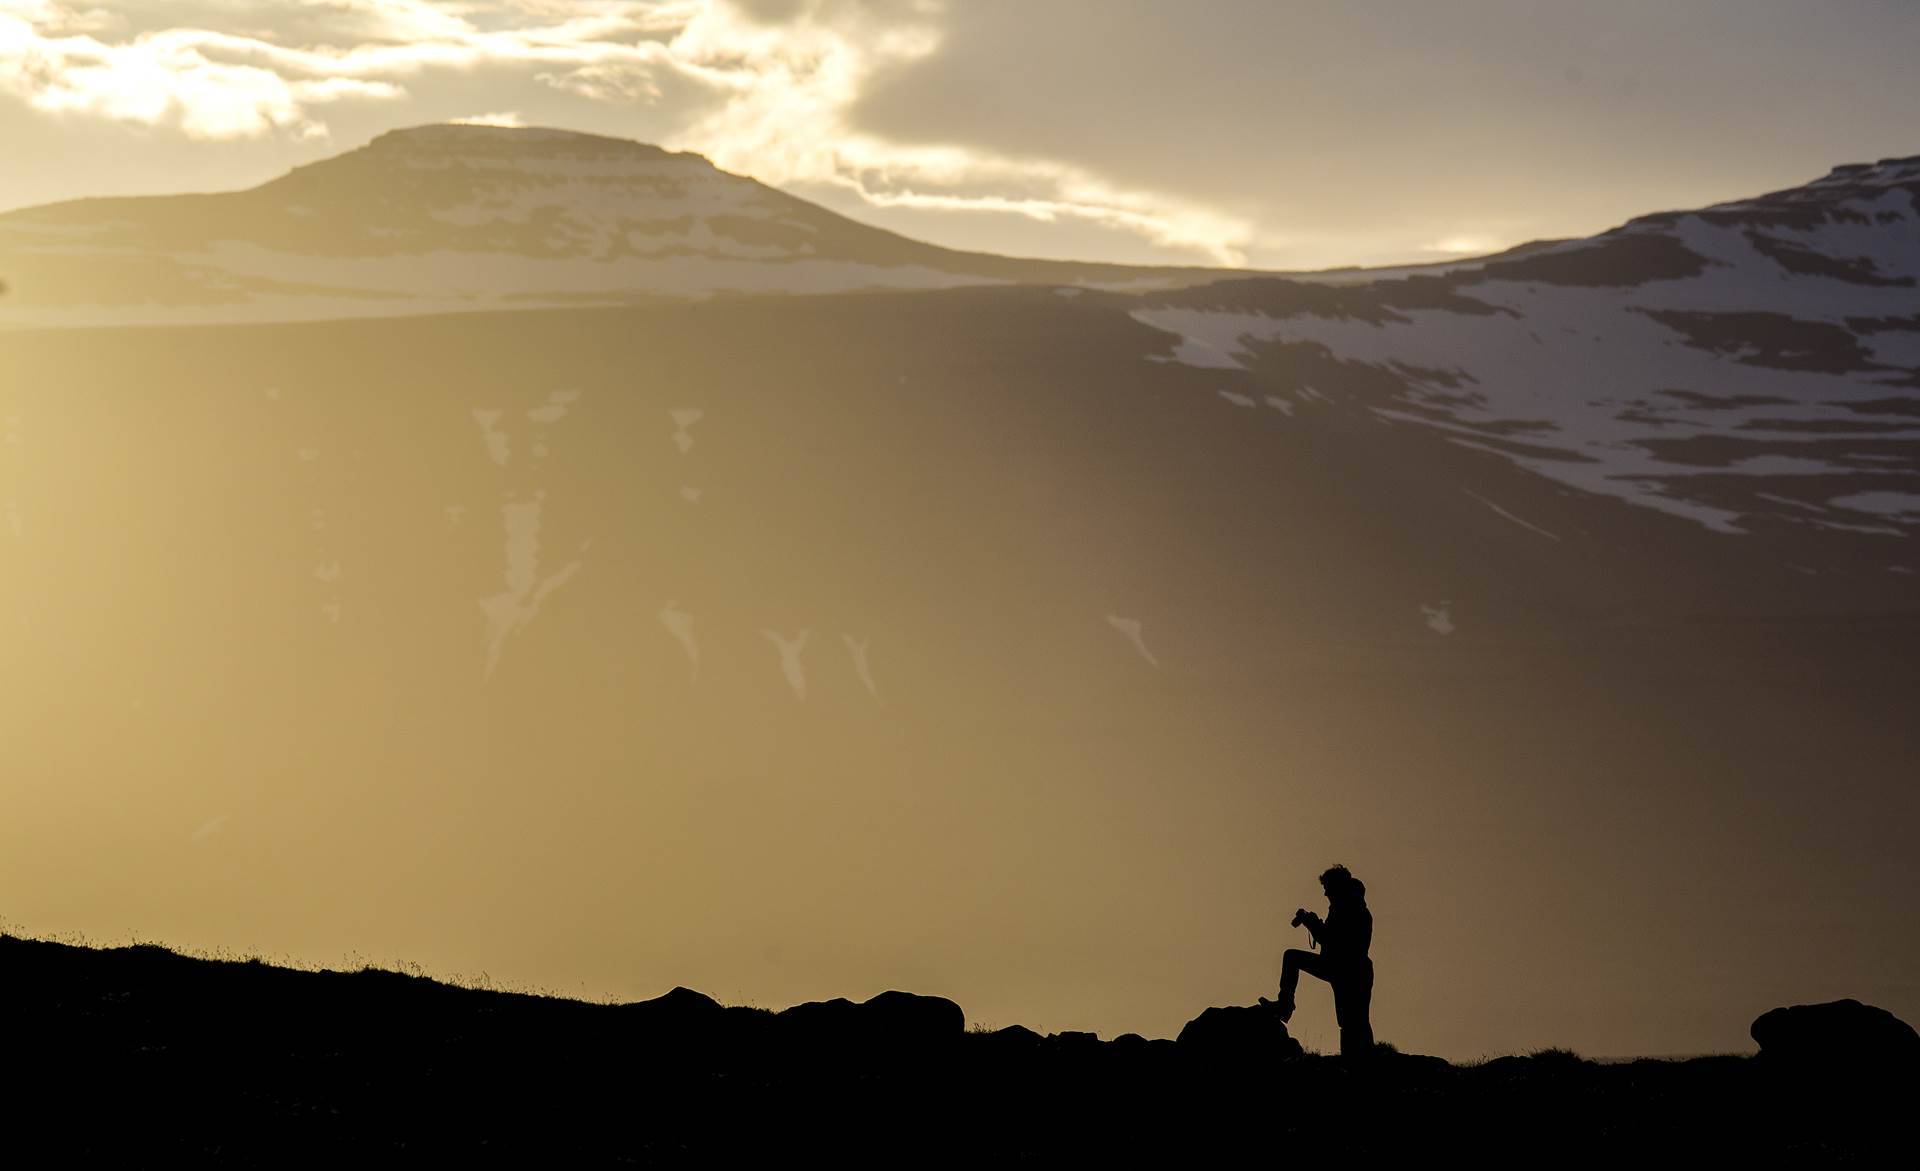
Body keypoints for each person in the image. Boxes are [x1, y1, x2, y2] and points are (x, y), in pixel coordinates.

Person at [1261, 864, 1374, 1057]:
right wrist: (1315, 924)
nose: (1325, 894)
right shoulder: (1349, 906)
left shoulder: (1349, 908)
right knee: (1353, 1020)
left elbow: (1334, 941)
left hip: (1348, 970)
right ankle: (1360, 1060)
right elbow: (1334, 938)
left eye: (1327, 888)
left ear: (1337, 886)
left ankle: (1284, 1006)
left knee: (1353, 1020)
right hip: (1348, 969)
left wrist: (1312, 923)